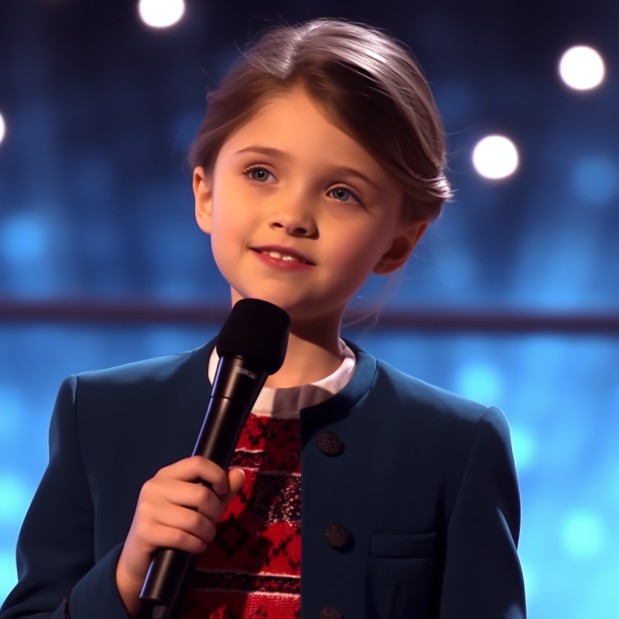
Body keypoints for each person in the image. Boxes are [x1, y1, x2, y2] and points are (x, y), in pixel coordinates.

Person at [0, 17, 526, 619]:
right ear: (205, 194)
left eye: (342, 192)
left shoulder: (454, 444)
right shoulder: (98, 414)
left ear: (399, 242)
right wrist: (124, 575)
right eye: (261, 173)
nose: (292, 215)